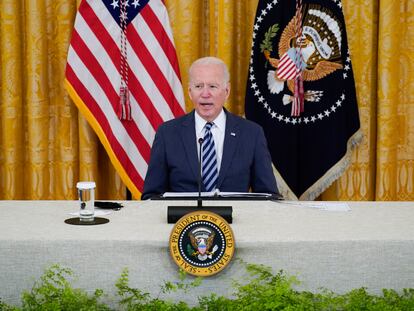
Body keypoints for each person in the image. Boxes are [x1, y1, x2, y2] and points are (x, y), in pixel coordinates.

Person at [141, 56, 279, 199]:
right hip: (183, 220)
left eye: (212, 86)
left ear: (227, 91)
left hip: (234, 221)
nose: (205, 94)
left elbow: (268, 196)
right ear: (189, 92)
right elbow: (152, 196)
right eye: (198, 86)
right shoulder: (167, 134)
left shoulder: (251, 133)